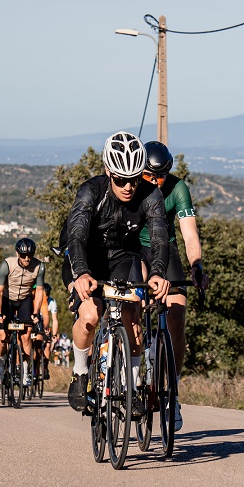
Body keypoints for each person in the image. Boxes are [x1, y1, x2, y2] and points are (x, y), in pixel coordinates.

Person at [66, 131, 170, 412]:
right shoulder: (91, 191)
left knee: (133, 315)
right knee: (90, 314)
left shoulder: (151, 195)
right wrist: (81, 273)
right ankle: (80, 373)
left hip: (124, 257)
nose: (128, 187)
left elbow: (160, 238)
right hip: (87, 257)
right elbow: (75, 238)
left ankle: (133, 385)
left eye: (134, 179)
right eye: (121, 180)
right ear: (108, 172)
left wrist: (158, 273)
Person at [139, 141, 209, 431]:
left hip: (165, 250)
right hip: (134, 250)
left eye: (161, 177)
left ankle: (173, 392)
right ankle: (134, 366)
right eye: (149, 176)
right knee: (135, 304)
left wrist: (197, 265)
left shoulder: (178, 189)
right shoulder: (131, 185)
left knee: (177, 315)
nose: (155, 182)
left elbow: (189, 233)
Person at [0, 238, 45, 387]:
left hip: (24, 299)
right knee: (3, 336)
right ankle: (0, 365)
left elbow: (40, 291)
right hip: (7, 299)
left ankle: (24, 370)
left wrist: (36, 313)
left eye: (30, 255)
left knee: (26, 335)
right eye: (23, 255)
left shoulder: (39, 267)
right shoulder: (7, 265)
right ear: (17, 254)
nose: (27, 258)